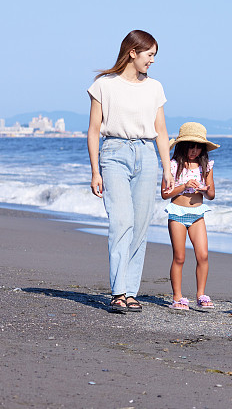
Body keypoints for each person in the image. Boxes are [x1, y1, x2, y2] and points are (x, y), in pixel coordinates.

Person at [87, 30, 174, 314]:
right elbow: (93, 130)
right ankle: (118, 292)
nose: (152, 61)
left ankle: (131, 291)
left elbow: (161, 131)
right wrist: (94, 171)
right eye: (149, 55)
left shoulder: (155, 87)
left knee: (140, 226)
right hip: (113, 154)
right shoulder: (104, 85)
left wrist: (167, 168)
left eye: (154, 56)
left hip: (147, 156)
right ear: (133, 52)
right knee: (121, 221)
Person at [161, 122, 219, 310]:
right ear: (182, 146)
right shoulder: (173, 165)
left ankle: (201, 294)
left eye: (197, 147)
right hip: (177, 214)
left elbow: (211, 196)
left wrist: (204, 190)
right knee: (179, 257)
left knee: (203, 255)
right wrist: (184, 186)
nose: (194, 151)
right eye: (190, 146)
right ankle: (177, 297)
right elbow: (164, 194)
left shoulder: (206, 166)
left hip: (197, 215)